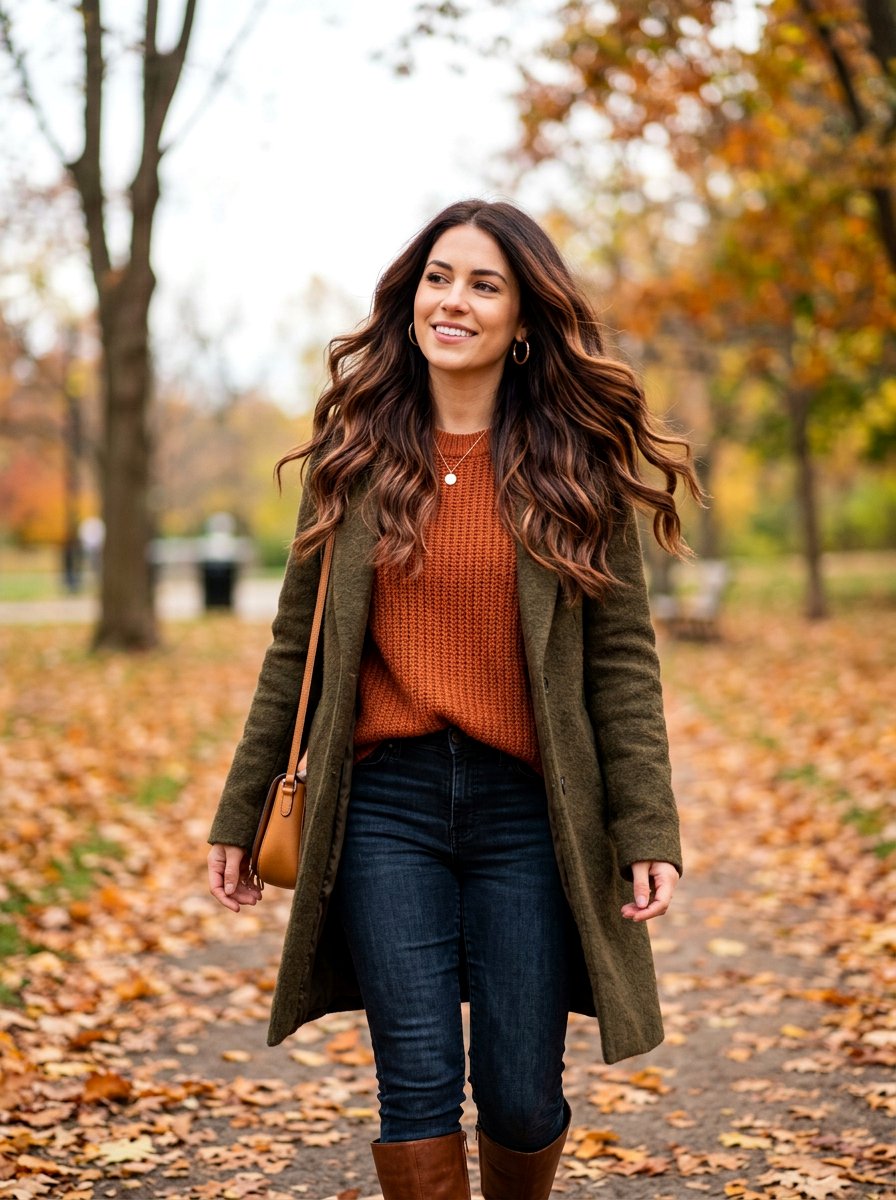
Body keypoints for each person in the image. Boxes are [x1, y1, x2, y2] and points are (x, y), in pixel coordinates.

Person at [207, 198, 701, 1200]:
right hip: (384, 809)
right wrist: (239, 808)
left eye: (483, 284)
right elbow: (295, 650)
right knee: (417, 1087)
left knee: (520, 1097)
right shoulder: (354, 458)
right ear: (411, 298)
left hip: (528, 811)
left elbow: (621, 662)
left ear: (522, 320)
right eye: (438, 277)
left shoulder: (574, 469)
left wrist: (646, 826)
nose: (452, 301)